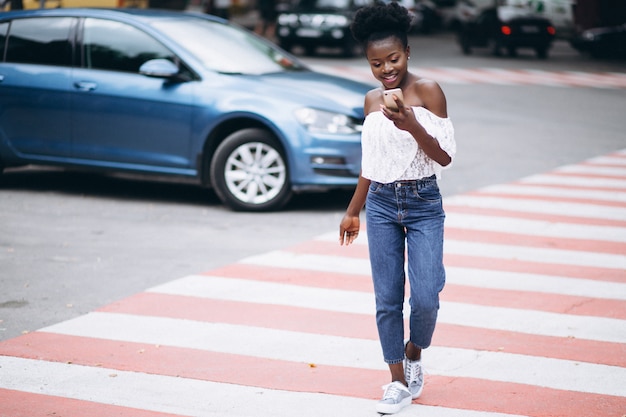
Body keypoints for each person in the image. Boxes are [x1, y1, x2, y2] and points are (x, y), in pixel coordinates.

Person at [338, 2, 456, 414]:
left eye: (393, 59)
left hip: (424, 201)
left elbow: (443, 157)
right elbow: (372, 163)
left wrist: (411, 122)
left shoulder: (428, 91)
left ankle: (414, 351)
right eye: (376, 63)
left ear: (407, 50)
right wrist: (354, 210)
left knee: (426, 297)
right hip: (382, 204)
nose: (387, 69)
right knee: (387, 298)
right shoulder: (371, 100)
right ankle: (397, 381)